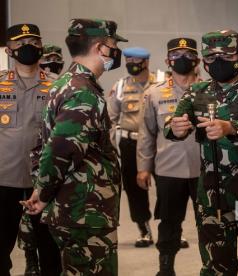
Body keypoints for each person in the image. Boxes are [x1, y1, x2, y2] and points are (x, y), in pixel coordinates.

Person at [164, 29, 238, 275]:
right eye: (211, 57)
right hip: (213, 192)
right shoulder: (197, 91)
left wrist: (231, 127)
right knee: (215, 264)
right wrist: (175, 128)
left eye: (226, 56)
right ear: (203, 60)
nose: (218, 63)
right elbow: (174, 123)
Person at [22, 18, 126, 275]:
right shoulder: (83, 93)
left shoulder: (66, 83)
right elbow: (60, 151)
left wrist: (41, 190)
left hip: (75, 208)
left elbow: (44, 145)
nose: (116, 50)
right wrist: (43, 193)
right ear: (101, 48)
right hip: (84, 212)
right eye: (113, 44)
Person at [0, 23, 61, 276]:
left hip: (44, 179)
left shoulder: (58, 86)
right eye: (21, 43)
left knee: (49, 245)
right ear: (9, 50)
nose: (28, 47)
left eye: (34, 43)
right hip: (5, 177)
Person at [137, 37, 201, 276]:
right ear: (167, 61)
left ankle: (214, 266)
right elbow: (146, 133)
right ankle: (166, 268)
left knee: (211, 224)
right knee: (169, 223)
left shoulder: (209, 91)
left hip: (205, 170)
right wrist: (143, 167)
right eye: (176, 55)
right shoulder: (154, 93)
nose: (182, 60)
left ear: (197, 60)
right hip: (169, 169)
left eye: (187, 55)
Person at [107, 46, 156, 247]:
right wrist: (111, 147)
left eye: (136, 62)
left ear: (146, 62)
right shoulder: (120, 86)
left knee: (169, 186)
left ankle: (173, 227)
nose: (131, 65)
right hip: (130, 144)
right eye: (128, 61)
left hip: (158, 142)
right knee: (134, 188)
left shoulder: (161, 81)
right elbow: (110, 118)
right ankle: (143, 229)